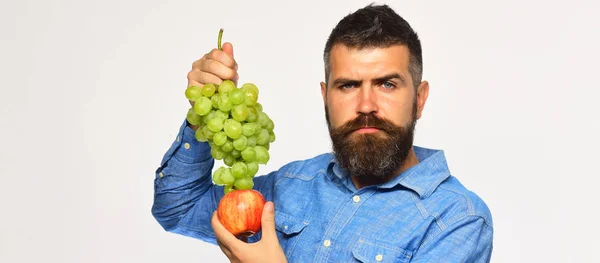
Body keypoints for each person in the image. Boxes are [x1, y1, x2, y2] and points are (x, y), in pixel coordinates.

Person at [152, 3, 493, 262]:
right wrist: (204, 114)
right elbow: (179, 208)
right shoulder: (291, 185)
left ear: (419, 99)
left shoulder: (456, 220)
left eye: (387, 84)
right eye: (347, 85)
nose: (366, 105)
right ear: (325, 97)